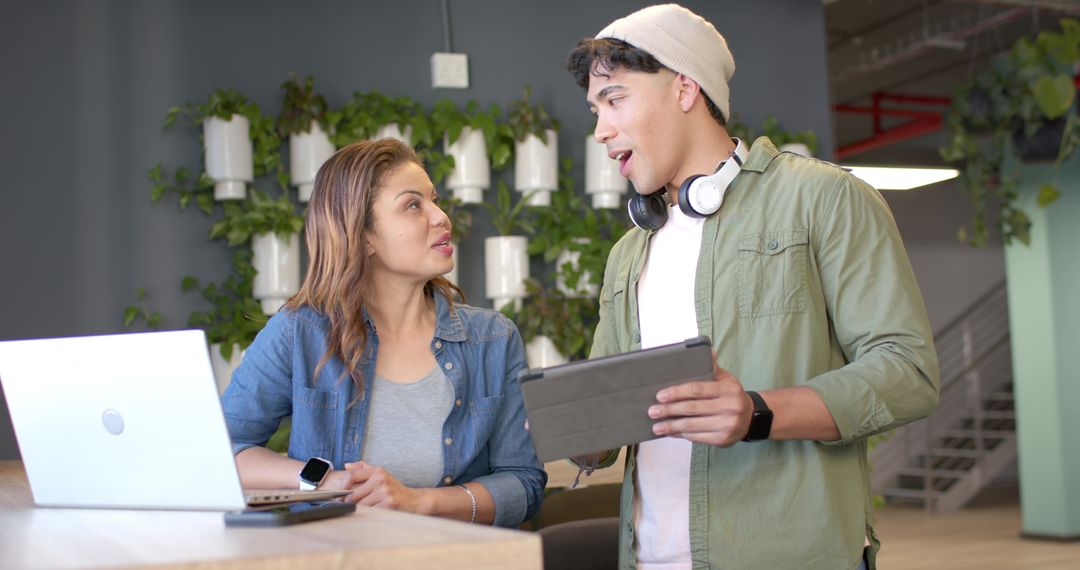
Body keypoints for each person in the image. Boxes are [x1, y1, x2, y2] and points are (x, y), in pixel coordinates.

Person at [565, 4, 939, 568]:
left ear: (684, 88)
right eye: (595, 109)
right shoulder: (628, 254)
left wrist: (757, 413)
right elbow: (610, 420)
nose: (600, 130)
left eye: (615, 99)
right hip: (648, 558)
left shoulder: (823, 199)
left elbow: (908, 371)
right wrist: (581, 430)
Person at [221, 138, 546, 528]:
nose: (441, 217)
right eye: (413, 205)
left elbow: (523, 483)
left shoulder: (493, 339)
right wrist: (334, 481)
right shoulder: (299, 331)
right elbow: (222, 451)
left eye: (434, 200)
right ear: (364, 236)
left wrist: (419, 502)